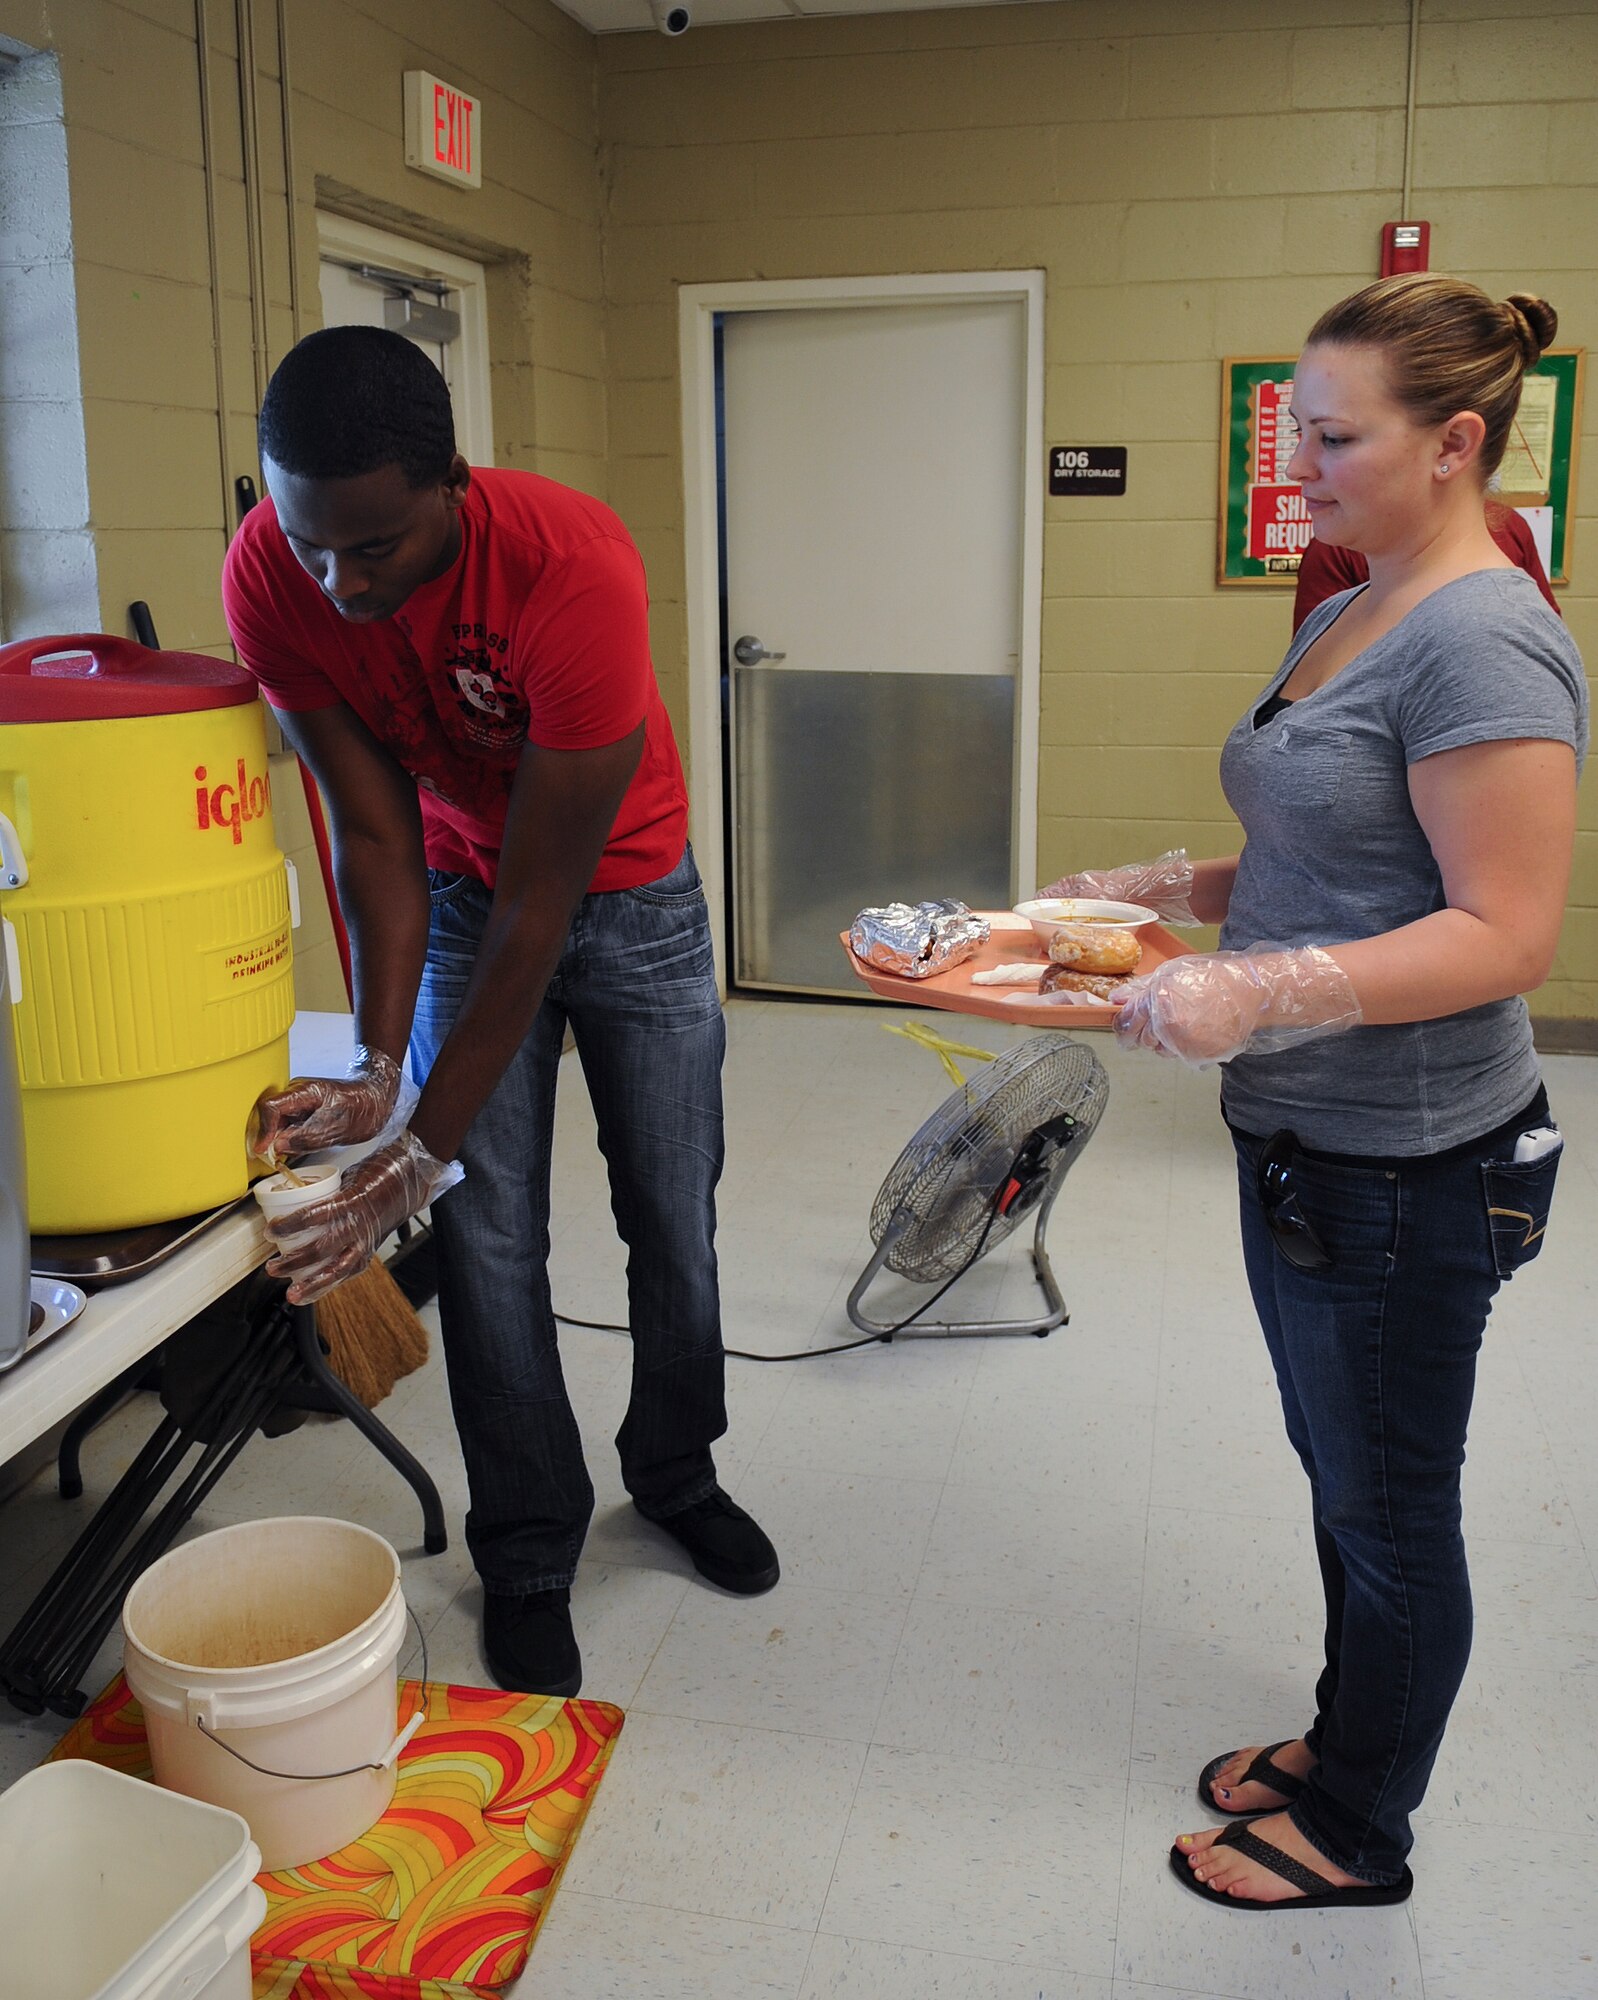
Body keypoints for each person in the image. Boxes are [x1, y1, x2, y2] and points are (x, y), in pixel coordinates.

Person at [1046, 274, 1586, 1910]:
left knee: (1386, 1502)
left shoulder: (1487, 632)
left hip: (1405, 1165)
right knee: (1338, 1470)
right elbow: (1329, 837)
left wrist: (1253, 989)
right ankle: (1345, 1740)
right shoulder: (1356, 599)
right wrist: (1171, 895)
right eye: (1300, 427)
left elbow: (1502, 932)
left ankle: (1360, 1832)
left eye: (1334, 435)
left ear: (1457, 442)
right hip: (1305, 1144)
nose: (1303, 463)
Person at [222, 326, 778, 1700]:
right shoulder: (272, 574)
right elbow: (373, 834)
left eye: (378, 550)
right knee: (482, 1239)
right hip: (465, 892)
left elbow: (550, 908)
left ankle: (674, 1473)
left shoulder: (569, 566)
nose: (342, 586)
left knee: (668, 1212)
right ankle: (526, 1546)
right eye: (312, 548)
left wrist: (418, 1140)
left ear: (452, 487)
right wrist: (370, 1063)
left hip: (630, 896)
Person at [1293, 495, 1559, 628]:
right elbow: (1315, 685)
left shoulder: (1507, 528)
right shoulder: (1337, 547)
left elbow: (1548, 635)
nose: (1298, 469)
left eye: (1336, 439)